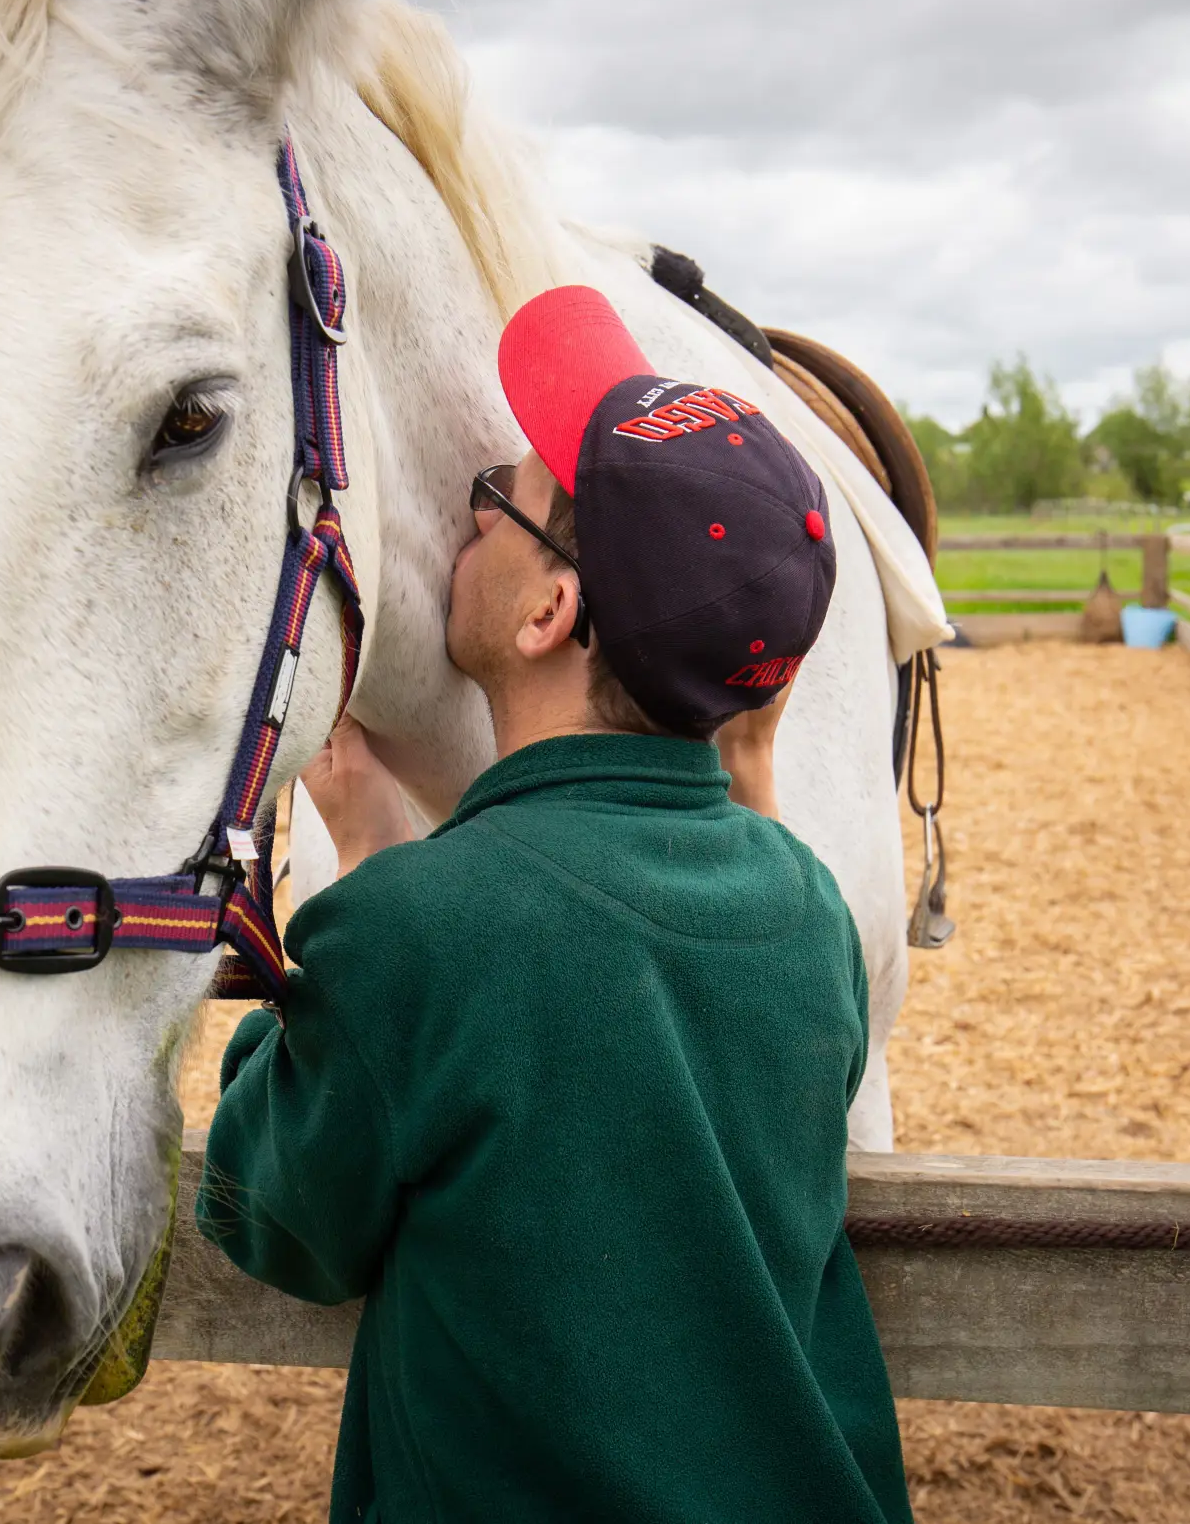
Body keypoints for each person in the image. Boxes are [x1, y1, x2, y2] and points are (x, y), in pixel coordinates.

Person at [197, 285, 910, 1523]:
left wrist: (351, 898)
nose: (464, 521)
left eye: (495, 501)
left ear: (547, 612)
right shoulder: (805, 903)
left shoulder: (409, 931)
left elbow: (273, 1218)